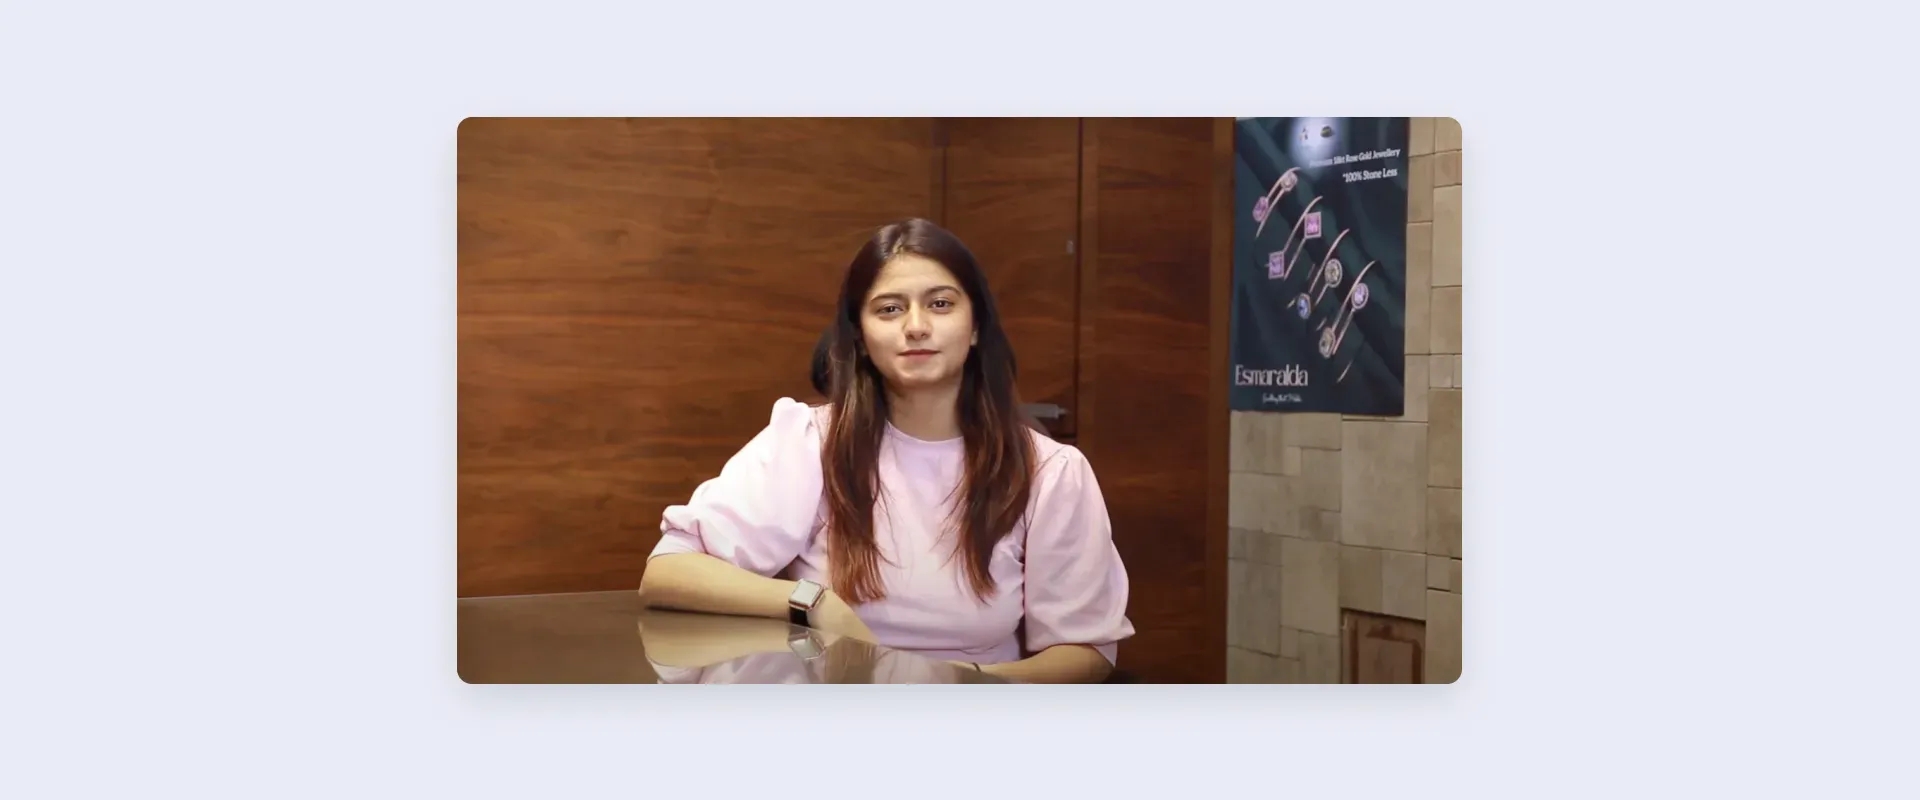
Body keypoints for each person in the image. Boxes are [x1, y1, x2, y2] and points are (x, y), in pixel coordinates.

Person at [639, 218, 1133, 684]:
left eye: (940, 304)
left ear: (976, 326)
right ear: (860, 333)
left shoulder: (1050, 471)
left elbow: (1086, 653)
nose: (916, 327)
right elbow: (668, 573)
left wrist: (958, 688)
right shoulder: (810, 441)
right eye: (890, 309)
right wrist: (812, 602)